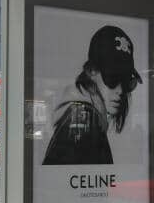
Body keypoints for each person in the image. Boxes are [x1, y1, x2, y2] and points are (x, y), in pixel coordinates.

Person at [43, 25, 142, 165]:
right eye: (113, 78)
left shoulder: (84, 116)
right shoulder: (86, 121)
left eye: (127, 81)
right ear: (91, 71)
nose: (120, 90)